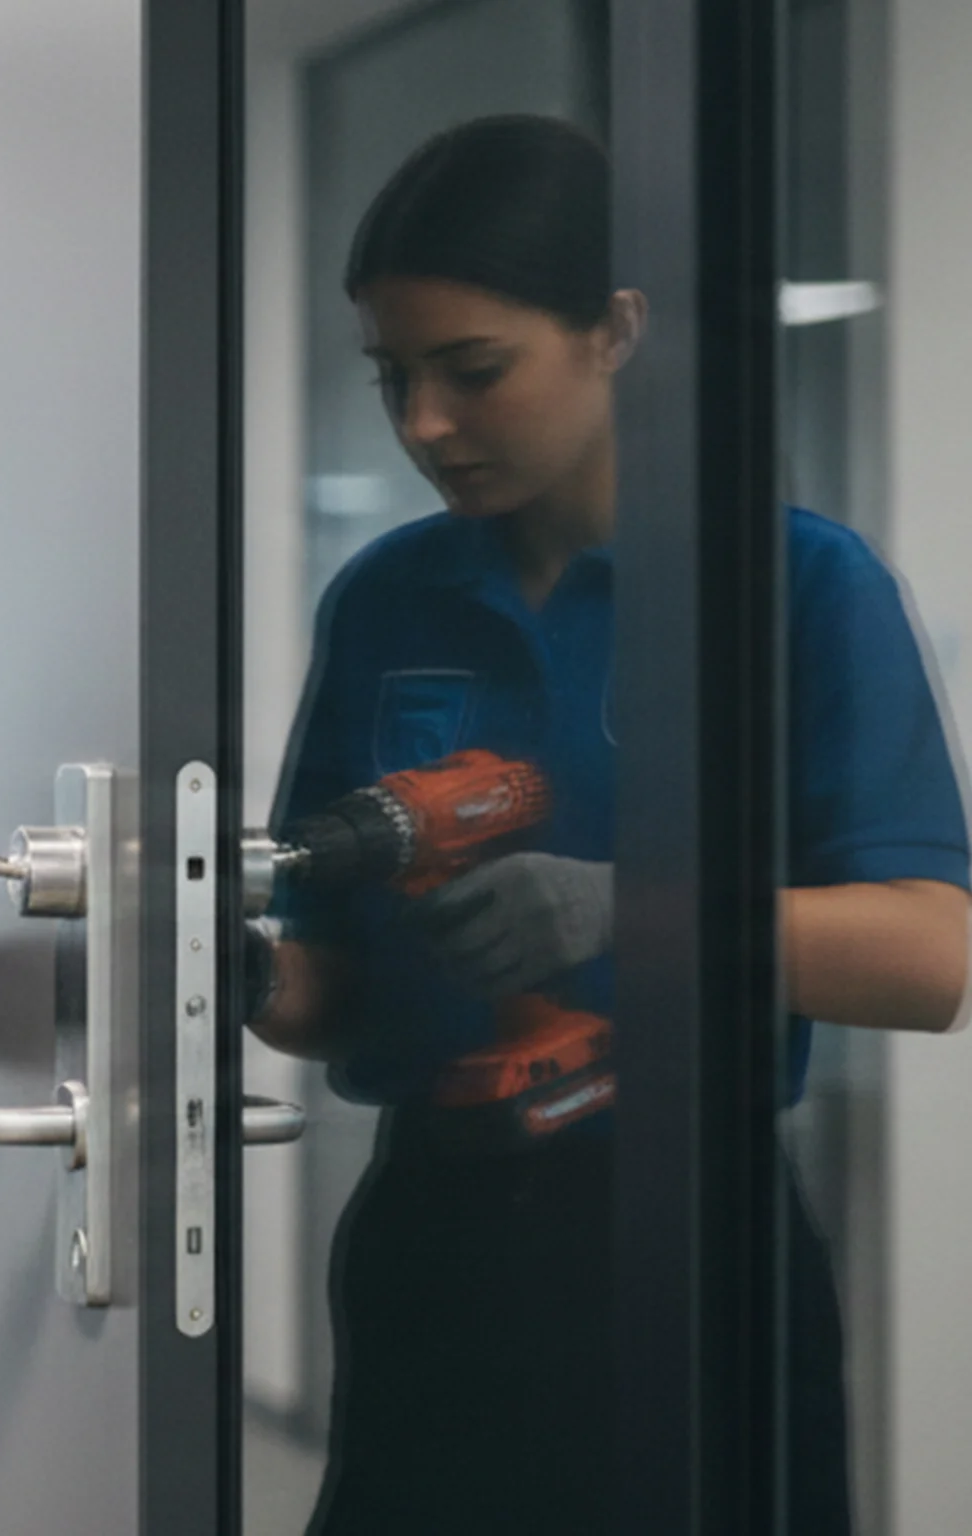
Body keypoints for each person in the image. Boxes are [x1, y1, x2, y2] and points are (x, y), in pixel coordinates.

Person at [251, 114, 970, 1535]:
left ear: (617, 331)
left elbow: (930, 957)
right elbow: (331, 978)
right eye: (393, 380)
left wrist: (621, 910)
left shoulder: (796, 586)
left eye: (474, 373)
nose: (423, 427)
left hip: (688, 1250)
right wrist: (225, 973)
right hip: (430, 1242)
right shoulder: (386, 597)